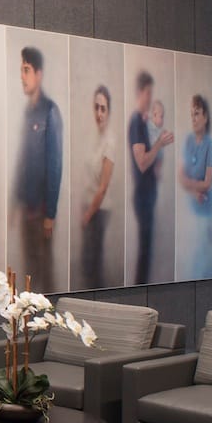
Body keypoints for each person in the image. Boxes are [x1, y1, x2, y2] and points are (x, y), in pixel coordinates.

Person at [12, 47, 63, 290]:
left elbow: (55, 165)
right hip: (26, 209)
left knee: (45, 276)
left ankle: (52, 325)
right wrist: (15, 202)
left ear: (39, 74)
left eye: (26, 70)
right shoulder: (26, 112)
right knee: (29, 277)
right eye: (21, 70)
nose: (22, 76)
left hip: (42, 213)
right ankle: (30, 329)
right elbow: (22, 160)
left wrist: (50, 215)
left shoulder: (50, 112)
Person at [128, 71, 174, 284]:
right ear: (140, 92)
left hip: (149, 195)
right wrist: (160, 144)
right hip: (143, 197)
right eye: (148, 92)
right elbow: (143, 162)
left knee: (147, 252)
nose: (150, 96)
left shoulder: (145, 123)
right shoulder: (136, 122)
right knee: (144, 254)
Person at [178, 94, 212, 279]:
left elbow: (208, 183)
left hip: (205, 211)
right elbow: (181, 178)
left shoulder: (210, 144)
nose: (193, 118)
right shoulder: (187, 141)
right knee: (190, 257)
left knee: (202, 259)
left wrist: (192, 185)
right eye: (191, 114)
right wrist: (196, 189)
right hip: (191, 209)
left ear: (205, 117)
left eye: (197, 114)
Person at [79, 85, 115, 289]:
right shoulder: (95, 138)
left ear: (109, 111)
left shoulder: (110, 142)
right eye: (96, 107)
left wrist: (88, 214)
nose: (99, 113)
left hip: (99, 210)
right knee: (88, 264)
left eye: (103, 108)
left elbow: (103, 187)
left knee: (94, 265)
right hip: (90, 207)